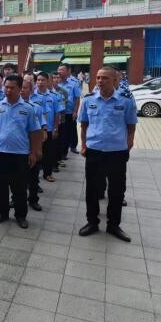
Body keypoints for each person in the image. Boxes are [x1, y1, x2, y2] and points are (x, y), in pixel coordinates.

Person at [78, 67, 137, 242]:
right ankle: (92, 222)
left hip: (116, 152)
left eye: (104, 78)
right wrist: (83, 145)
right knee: (92, 189)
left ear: (114, 81)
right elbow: (84, 125)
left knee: (116, 190)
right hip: (94, 151)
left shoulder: (126, 101)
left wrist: (128, 145)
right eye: (98, 77)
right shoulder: (88, 100)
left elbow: (131, 126)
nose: (100, 81)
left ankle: (114, 225)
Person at [0, 75, 42, 229]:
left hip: (20, 154)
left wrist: (33, 152)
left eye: (12, 88)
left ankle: (20, 215)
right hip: (0, 152)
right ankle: (3, 212)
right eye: (6, 87)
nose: (8, 90)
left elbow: (34, 132)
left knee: (20, 187)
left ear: (19, 89)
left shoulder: (28, 109)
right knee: (2, 185)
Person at [31, 72, 63, 183]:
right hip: (35, 130)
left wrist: (55, 128)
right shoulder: (31, 96)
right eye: (38, 80)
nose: (40, 82)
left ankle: (47, 174)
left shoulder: (54, 96)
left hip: (49, 129)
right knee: (35, 153)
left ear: (48, 81)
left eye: (43, 80)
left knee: (49, 153)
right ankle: (34, 178)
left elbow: (57, 114)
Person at [21, 79, 46, 212]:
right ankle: (16, 199)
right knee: (17, 178)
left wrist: (38, 149)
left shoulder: (36, 107)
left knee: (33, 177)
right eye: (20, 87)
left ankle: (33, 200)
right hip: (18, 148)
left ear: (31, 91)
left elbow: (40, 129)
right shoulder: (10, 106)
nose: (22, 90)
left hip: (32, 147)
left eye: (25, 88)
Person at [58, 64, 81, 155]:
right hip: (59, 112)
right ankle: (63, 149)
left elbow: (77, 98)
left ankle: (73, 146)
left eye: (62, 70)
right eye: (59, 70)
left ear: (68, 71)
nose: (59, 72)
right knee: (62, 131)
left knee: (71, 129)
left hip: (69, 111)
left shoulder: (73, 83)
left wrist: (75, 111)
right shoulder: (56, 82)